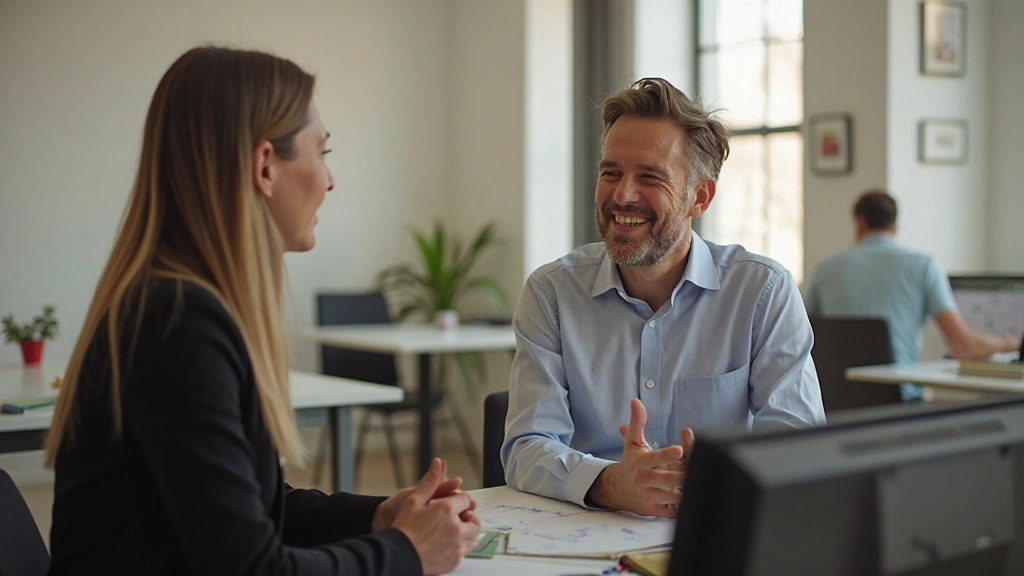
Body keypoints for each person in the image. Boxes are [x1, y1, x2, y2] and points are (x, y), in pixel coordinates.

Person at [44, 46, 480, 576]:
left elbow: (250, 510)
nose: (329, 179)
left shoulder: (180, 306)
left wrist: (376, 516)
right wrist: (406, 553)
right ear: (265, 166)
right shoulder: (177, 323)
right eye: (323, 152)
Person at [501, 78, 825, 518]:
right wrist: (611, 483)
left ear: (700, 197)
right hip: (582, 535)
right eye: (610, 172)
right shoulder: (552, 293)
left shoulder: (761, 292)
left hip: (717, 530)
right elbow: (526, 448)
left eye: (649, 176)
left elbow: (797, 441)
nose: (622, 195)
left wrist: (717, 478)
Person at [804, 190, 1018, 401]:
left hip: (833, 401)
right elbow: (965, 346)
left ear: (859, 223)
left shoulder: (825, 268)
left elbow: (805, 337)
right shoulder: (923, 266)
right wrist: (1011, 343)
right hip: (899, 401)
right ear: (895, 226)